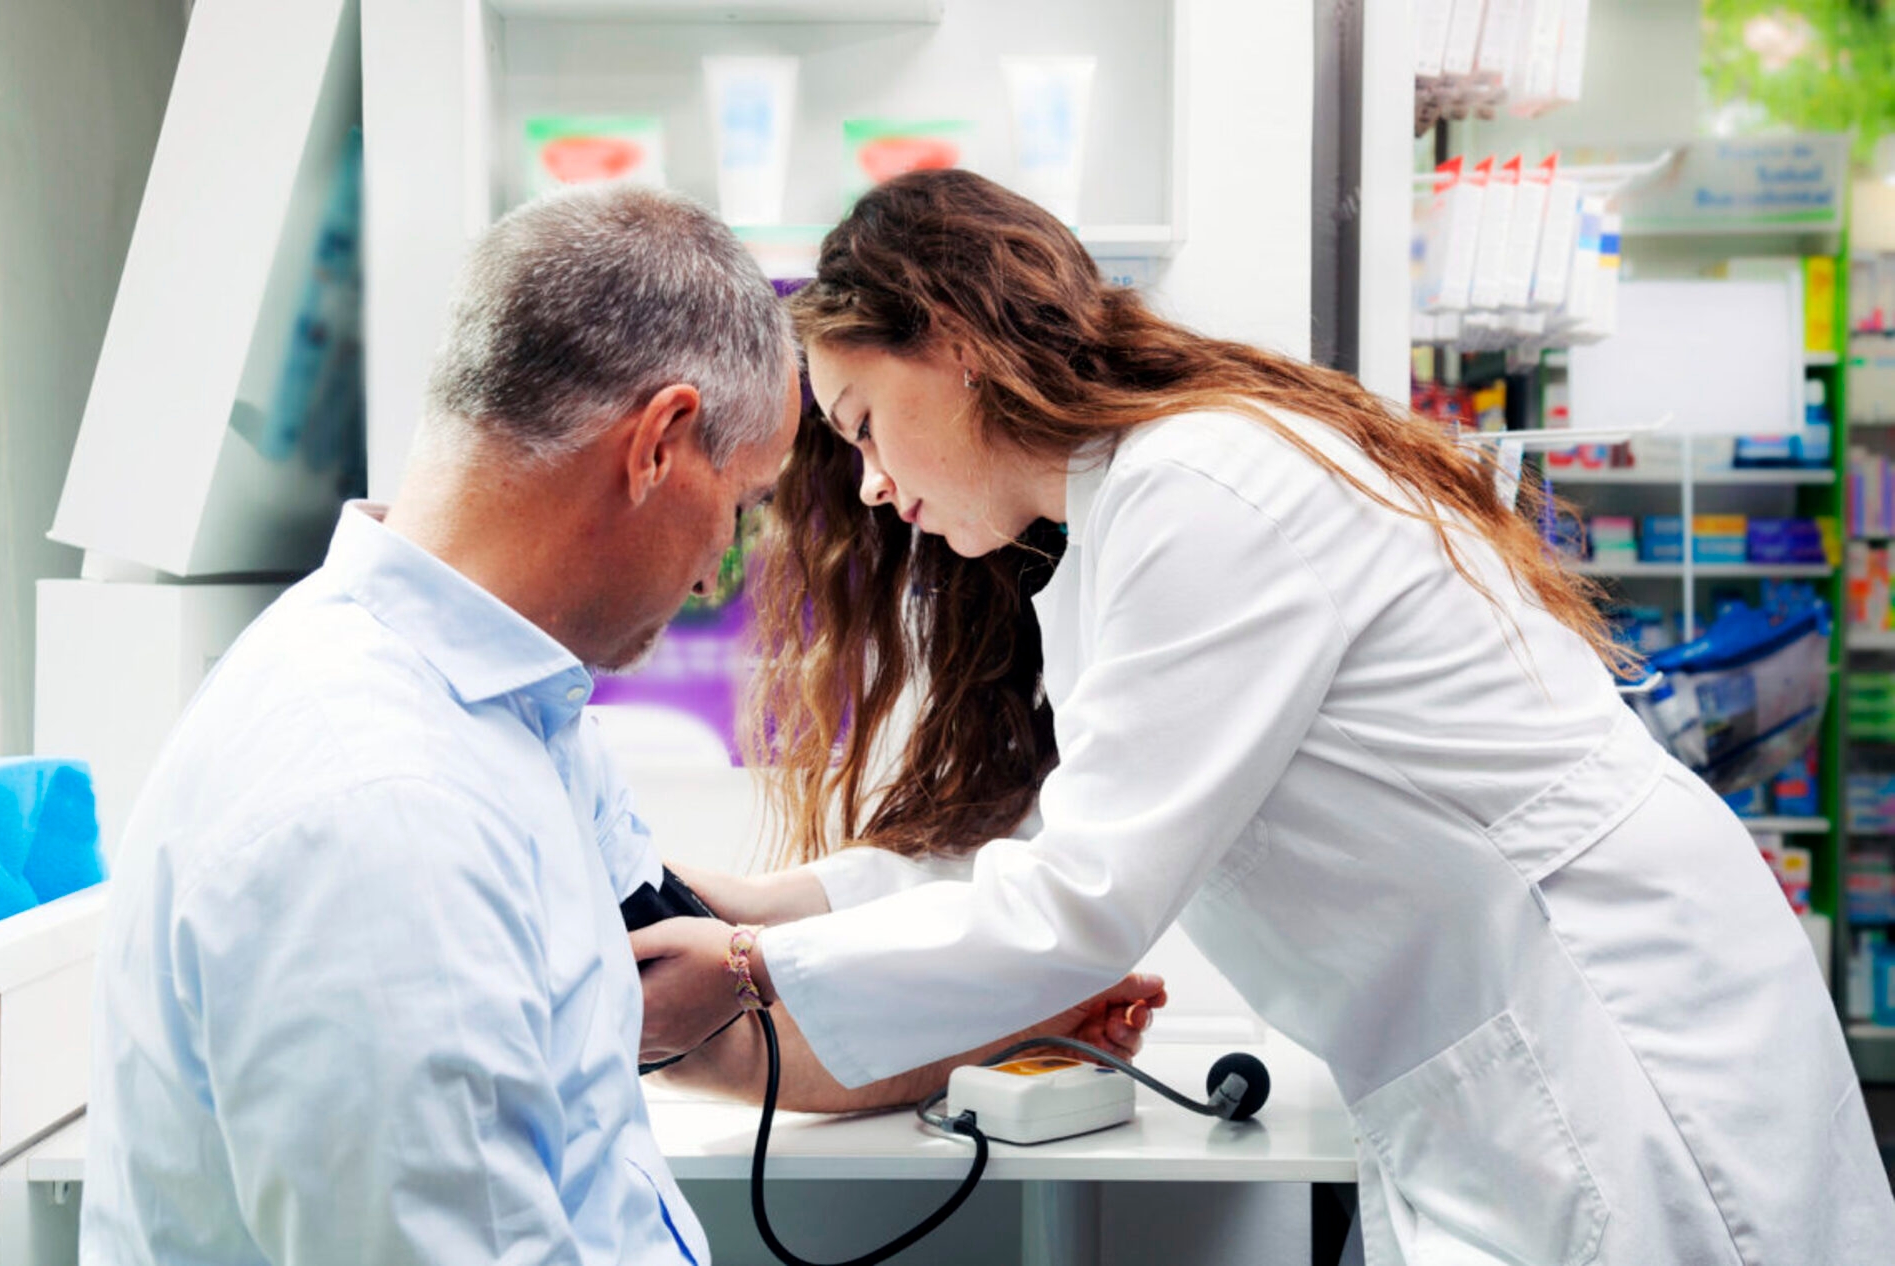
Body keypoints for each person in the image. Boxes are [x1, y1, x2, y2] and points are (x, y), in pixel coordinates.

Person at [632, 169, 1895, 1265]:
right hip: (1496, 1053)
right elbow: (1042, 845)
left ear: (956, 342)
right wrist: (755, 903)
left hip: (1609, 1031)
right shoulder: (1119, 521)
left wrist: (744, 974)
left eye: (861, 424)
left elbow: (1082, 901)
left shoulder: (1202, 487)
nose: (874, 484)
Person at [79, 180, 1160, 1265]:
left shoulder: (518, 716)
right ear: (660, 442)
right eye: (740, 510)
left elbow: (708, 1023)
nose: (711, 574)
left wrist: (1029, 1023)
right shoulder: (383, 815)